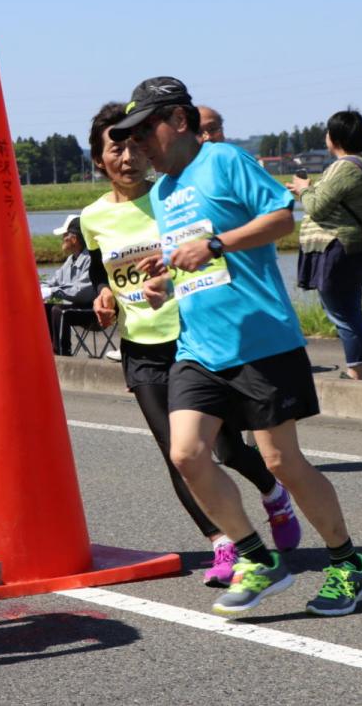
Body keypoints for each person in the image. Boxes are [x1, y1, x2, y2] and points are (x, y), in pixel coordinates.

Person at [113, 77, 362, 617]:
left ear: (179, 122)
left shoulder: (224, 161)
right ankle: (257, 557)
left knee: (282, 461)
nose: (136, 146)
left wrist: (214, 243)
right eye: (129, 137)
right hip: (199, 346)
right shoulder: (162, 194)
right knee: (186, 453)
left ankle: (348, 564)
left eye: (144, 132)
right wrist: (168, 278)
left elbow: (282, 217)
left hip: (260, 340)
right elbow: (195, 262)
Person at [82, 102, 300, 587]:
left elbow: (208, 248)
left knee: (229, 450)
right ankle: (223, 544)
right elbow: (104, 268)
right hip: (141, 346)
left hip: (191, 336)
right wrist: (104, 294)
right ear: (99, 160)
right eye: (114, 149)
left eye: (134, 145)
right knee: (179, 454)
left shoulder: (170, 193)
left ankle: (272, 493)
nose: (127, 157)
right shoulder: (93, 217)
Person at [288, 110, 362, 381]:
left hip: (337, 247)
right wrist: (312, 189)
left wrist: (303, 189)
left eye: (328, 133)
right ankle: (356, 367)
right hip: (348, 247)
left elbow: (316, 206)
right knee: (348, 309)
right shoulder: (359, 164)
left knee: (342, 311)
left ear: (334, 137)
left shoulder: (344, 167)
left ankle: (355, 371)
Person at [41, 214, 96, 355]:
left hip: (93, 311)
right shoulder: (71, 259)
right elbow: (55, 280)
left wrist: (53, 291)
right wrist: (37, 287)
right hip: (77, 308)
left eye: (64, 235)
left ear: (74, 238)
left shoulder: (91, 259)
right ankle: (49, 351)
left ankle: (62, 353)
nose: (62, 239)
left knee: (60, 311)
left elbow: (81, 292)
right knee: (45, 308)